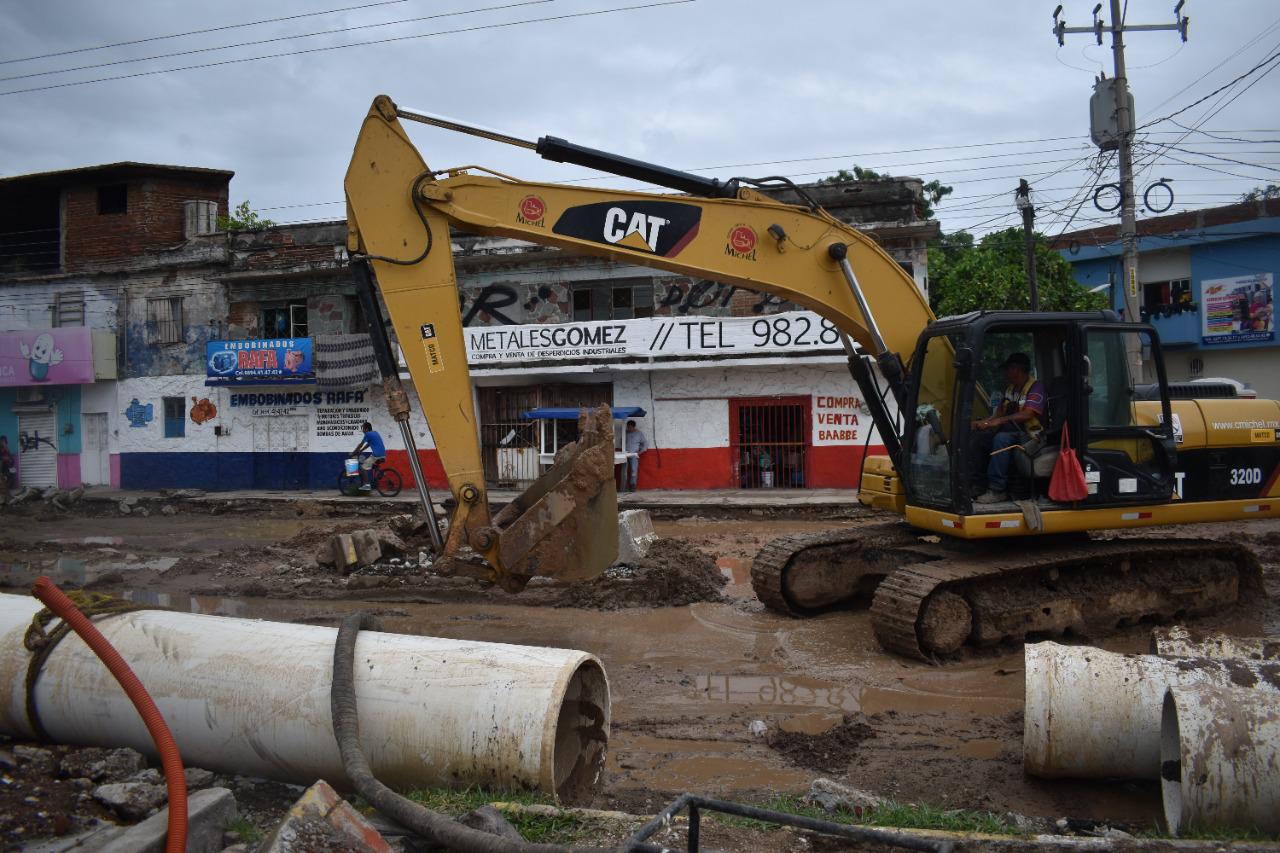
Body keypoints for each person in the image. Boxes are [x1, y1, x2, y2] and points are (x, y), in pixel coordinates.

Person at [971, 352, 1046, 504]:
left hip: (1030, 436)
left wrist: (999, 422)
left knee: (1001, 439)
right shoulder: (1010, 390)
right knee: (980, 439)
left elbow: (1028, 414)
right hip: (1012, 432)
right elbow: (997, 414)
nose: (1006, 373)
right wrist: (983, 423)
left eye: (1008, 369)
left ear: (1017, 369)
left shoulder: (1036, 387)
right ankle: (978, 485)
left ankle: (998, 490)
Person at [352, 421, 386, 492]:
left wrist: (354, 452)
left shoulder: (367, 434)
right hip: (382, 454)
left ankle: (367, 485)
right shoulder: (375, 433)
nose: (363, 430)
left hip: (376, 455)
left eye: (363, 428)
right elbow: (369, 444)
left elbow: (361, 444)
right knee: (372, 466)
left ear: (366, 429)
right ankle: (379, 475)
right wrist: (361, 450)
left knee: (362, 468)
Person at [623, 419, 648, 491]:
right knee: (624, 471)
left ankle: (632, 486)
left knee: (634, 471)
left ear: (634, 427)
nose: (629, 428)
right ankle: (624, 487)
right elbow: (621, 441)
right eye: (628, 427)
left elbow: (645, 444)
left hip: (634, 455)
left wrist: (640, 451)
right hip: (625, 454)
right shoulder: (625, 433)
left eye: (630, 427)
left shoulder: (639, 434)